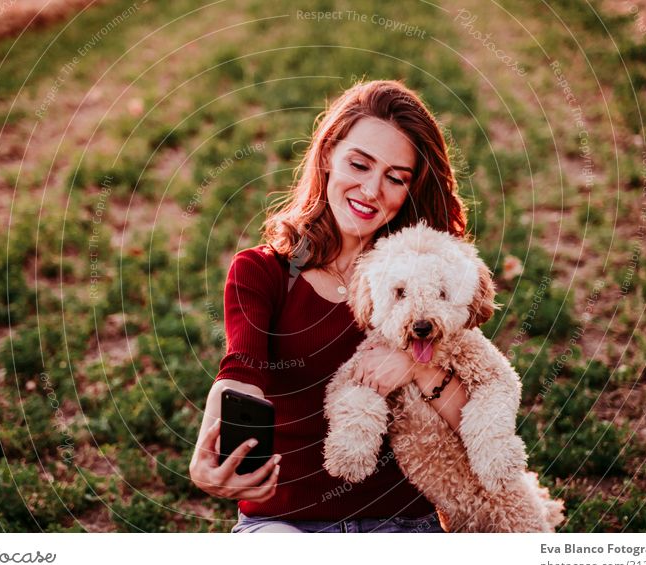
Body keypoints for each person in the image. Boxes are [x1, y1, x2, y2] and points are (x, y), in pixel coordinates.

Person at [189, 79, 470, 533]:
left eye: (395, 177)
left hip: (401, 520)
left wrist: (417, 367)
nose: (373, 189)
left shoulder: (425, 280)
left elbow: (472, 416)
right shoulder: (263, 272)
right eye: (359, 164)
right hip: (284, 523)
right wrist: (207, 446)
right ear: (326, 156)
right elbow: (240, 372)